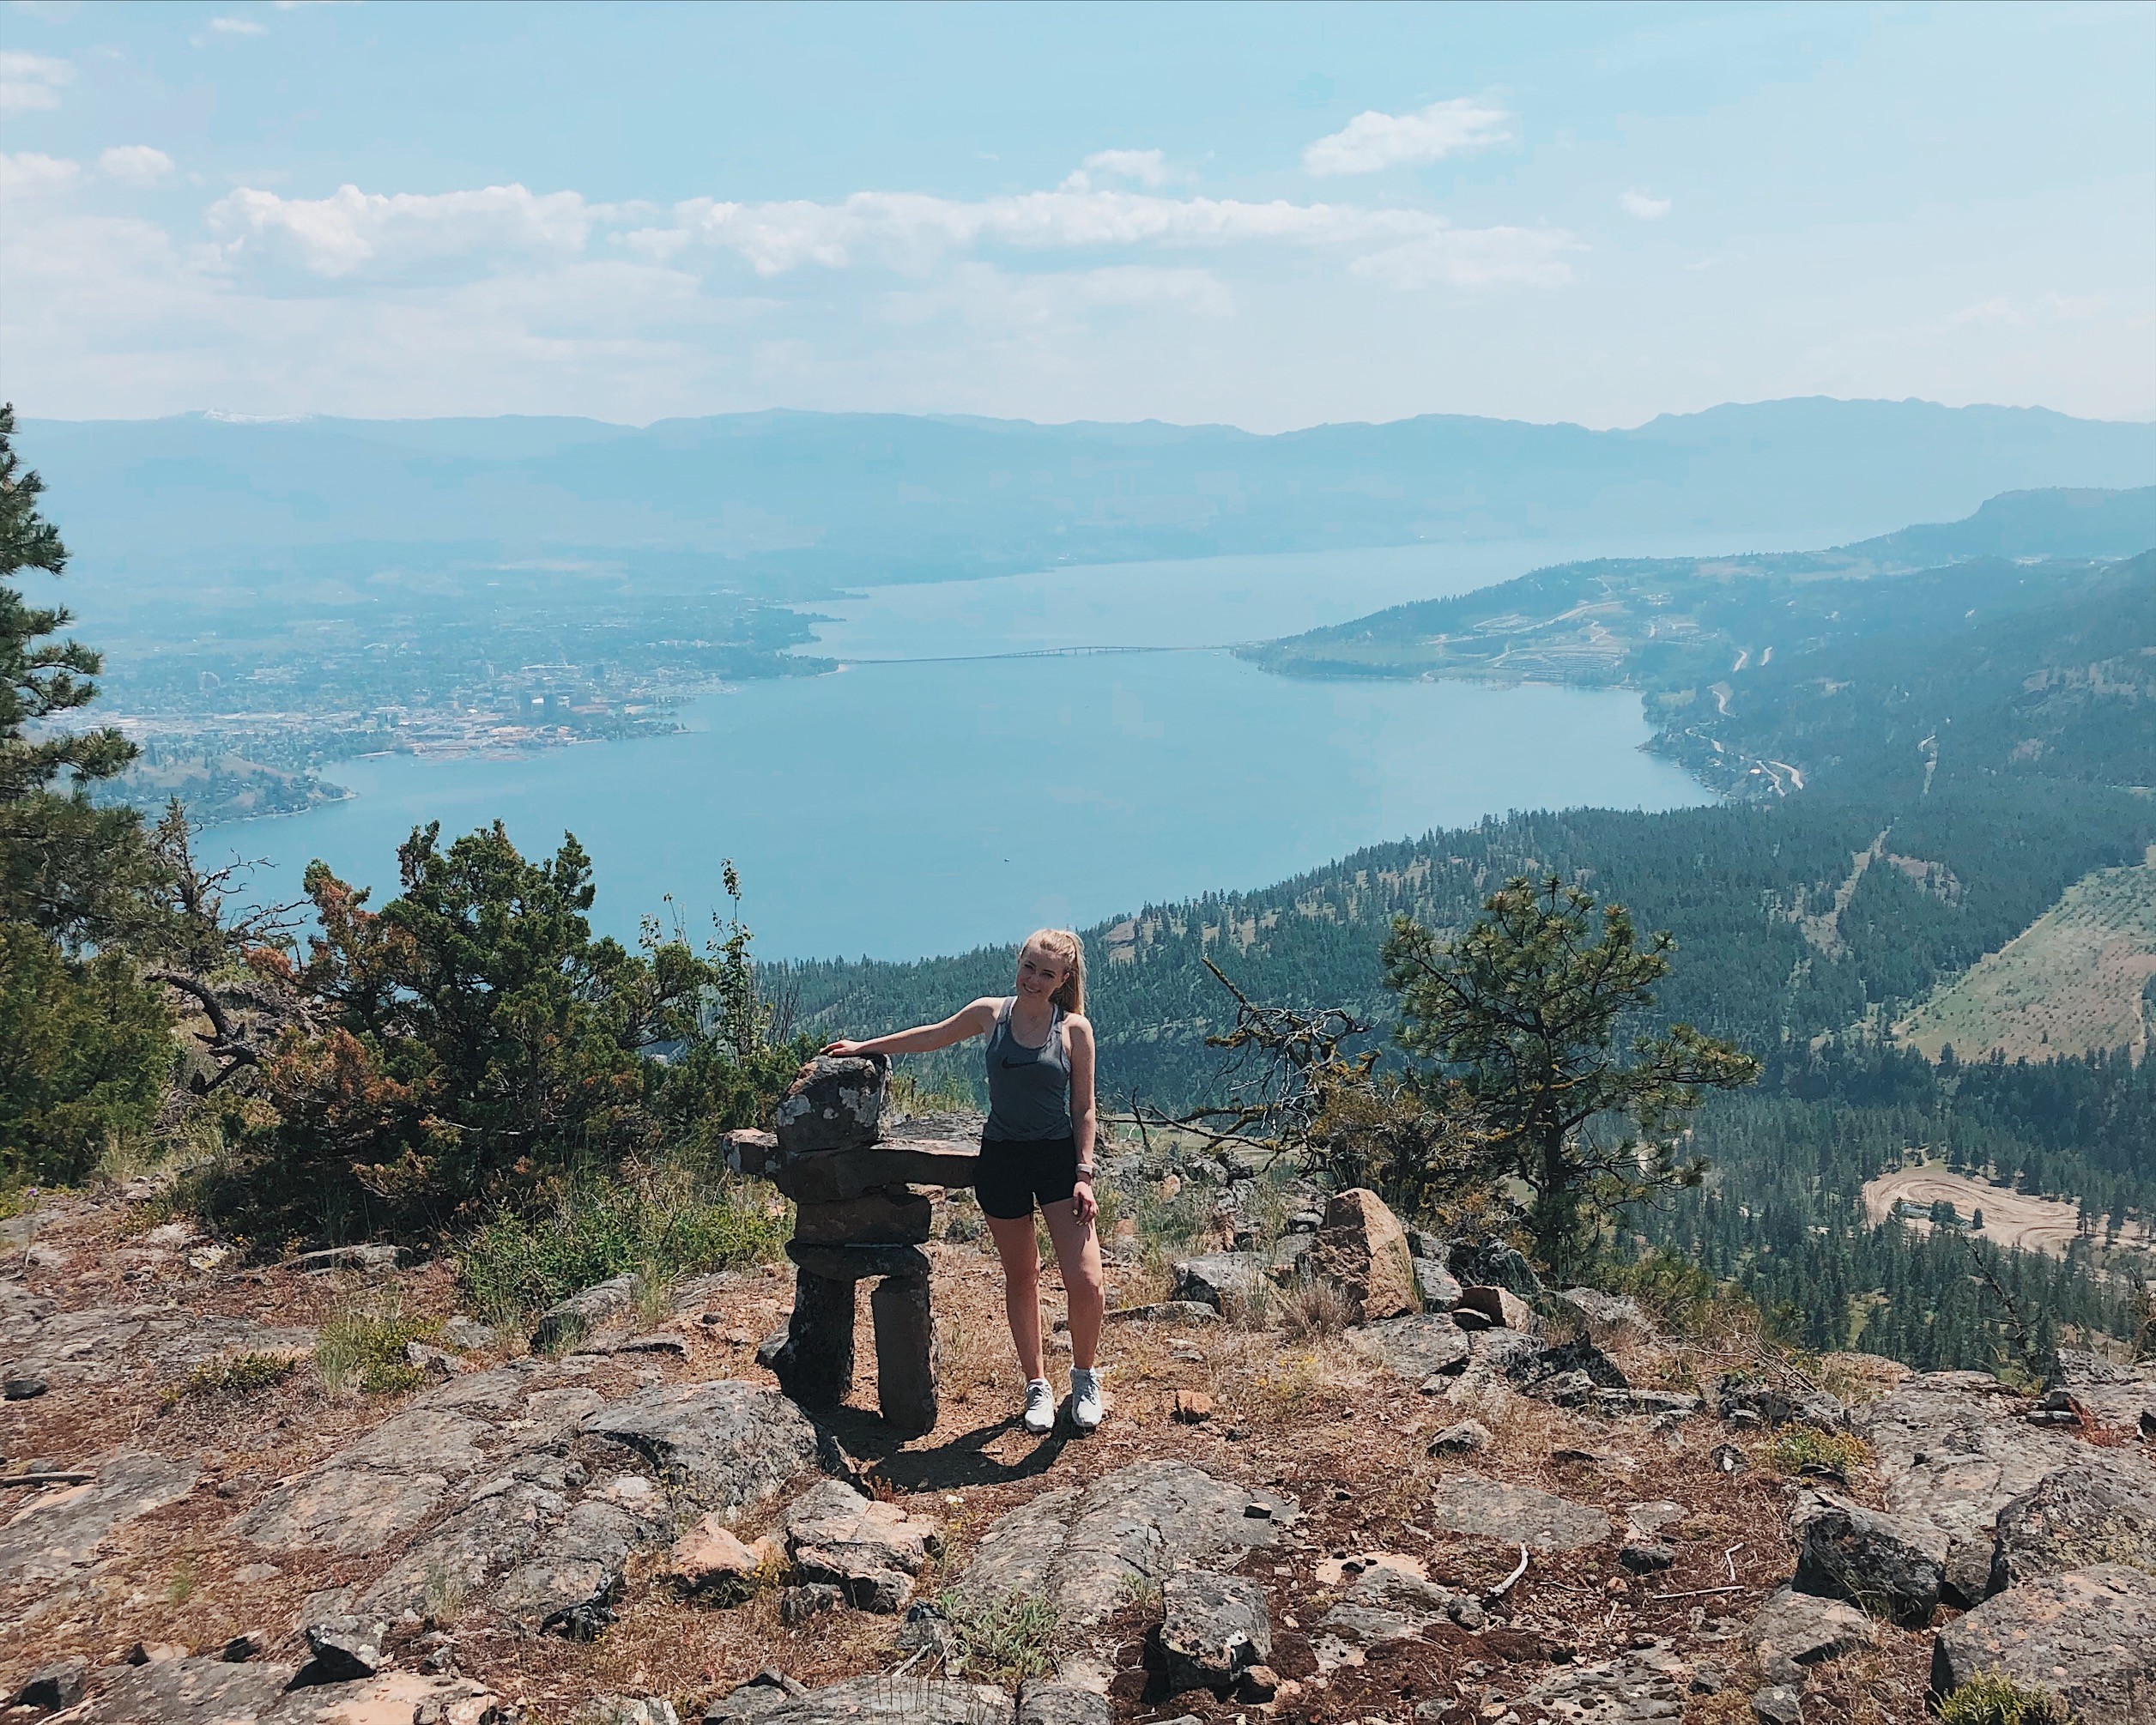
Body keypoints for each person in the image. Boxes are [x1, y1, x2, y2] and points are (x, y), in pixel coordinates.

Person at [822, 929, 1106, 1435]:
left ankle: (1083, 1377)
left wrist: (1083, 1172)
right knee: (1022, 1275)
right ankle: (1037, 1386)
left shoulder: (1074, 1031)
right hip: (1001, 1160)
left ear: (1064, 979)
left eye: (1047, 973)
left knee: (1085, 1280)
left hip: (1057, 1162)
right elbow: (932, 1036)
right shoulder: (990, 1015)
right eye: (1028, 967)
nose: (1034, 980)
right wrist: (865, 1047)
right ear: (1017, 963)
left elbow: (1084, 1108)